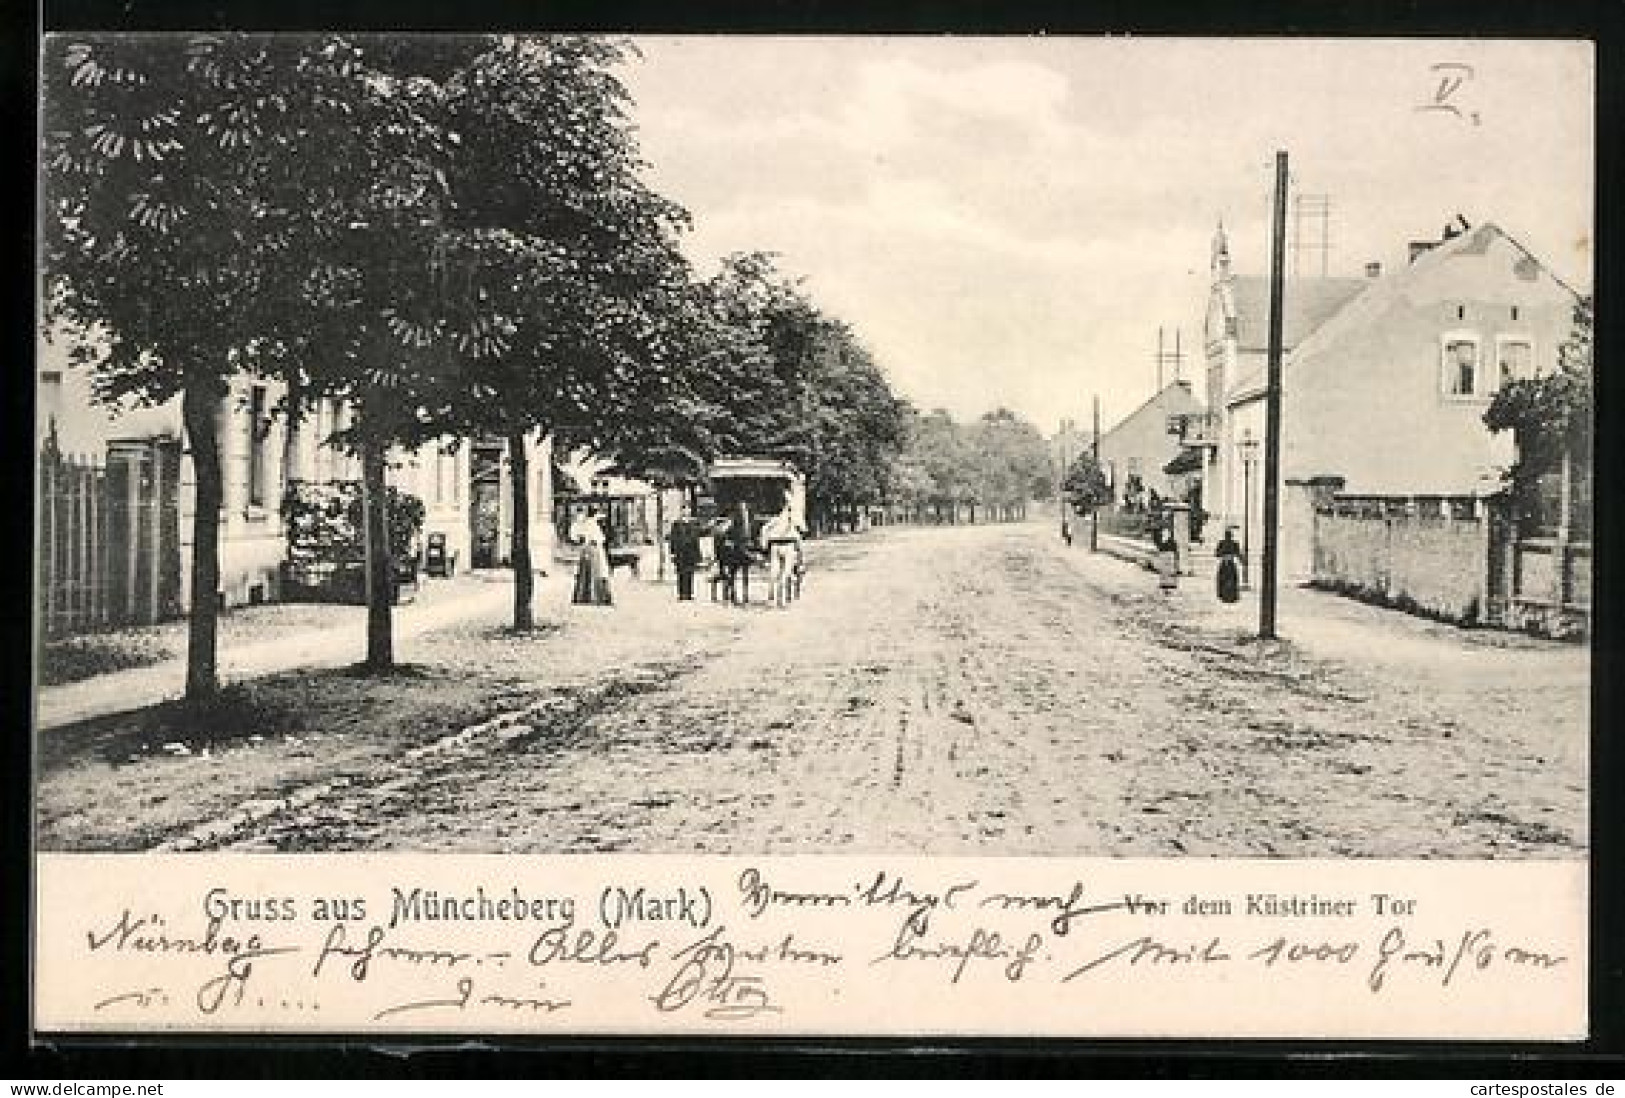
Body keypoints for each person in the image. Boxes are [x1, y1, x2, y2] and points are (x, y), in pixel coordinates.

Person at [760, 505, 804, 609]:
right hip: (788, 545)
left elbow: (764, 529)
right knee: (785, 573)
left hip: (775, 545)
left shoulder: (777, 519)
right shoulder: (793, 517)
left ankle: (772, 597)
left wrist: (764, 543)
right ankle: (779, 599)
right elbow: (802, 529)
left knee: (774, 572)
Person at [569, 507, 613, 606]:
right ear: (595, 515)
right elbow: (597, 538)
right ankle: (593, 597)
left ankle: (585, 597)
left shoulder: (589, 524)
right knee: (595, 572)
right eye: (598, 515)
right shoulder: (591, 524)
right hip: (593, 550)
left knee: (590, 572)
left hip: (590, 549)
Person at [667, 503, 703, 602]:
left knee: (690, 572)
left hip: (691, 551)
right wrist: (672, 552)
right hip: (680, 551)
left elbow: (698, 536)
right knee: (681, 572)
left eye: (688, 509)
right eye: (685, 509)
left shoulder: (694, 523)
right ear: (682, 511)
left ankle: (689, 593)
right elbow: (673, 539)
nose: (686, 511)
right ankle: (681, 594)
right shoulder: (676, 524)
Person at [1153, 512, 1179, 594]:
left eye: (1167, 516)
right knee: (1164, 568)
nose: (1166, 517)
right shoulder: (1159, 526)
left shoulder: (1171, 526)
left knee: (1170, 568)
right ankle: (1165, 586)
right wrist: (1159, 545)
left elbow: (1173, 538)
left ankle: (1170, 585)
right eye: (1164, 515)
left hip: (1169, 548)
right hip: (1164, 548)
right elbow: (1156, 537)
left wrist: (1174, 548)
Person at [1215, 526, 1243, 604]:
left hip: (1226, 563)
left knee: (1227, 579)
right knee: (1228, 579)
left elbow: (1217, 554)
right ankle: (1228, 596)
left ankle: (1227, 596)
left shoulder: (1223, 543)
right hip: (1228, 563)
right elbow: (1238, 554)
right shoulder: (1233, 544)